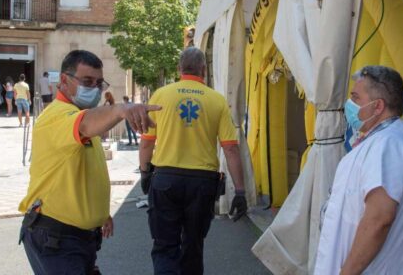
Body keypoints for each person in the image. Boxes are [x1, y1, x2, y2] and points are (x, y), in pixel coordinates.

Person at [18, 50, 160, 275]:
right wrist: (121, 109)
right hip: (56, 237)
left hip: (78, 237)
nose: (94, 88)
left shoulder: (81, 113)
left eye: (98, 83)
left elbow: (84, 172)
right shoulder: (57, 115)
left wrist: (100, 213)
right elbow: (83, 125)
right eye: (87, 81)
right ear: (64, 80)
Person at [314, 65, 403, 275]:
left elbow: (379, 220)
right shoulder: (384, 140)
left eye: (356, 98)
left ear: (378, 106)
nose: (349, 105)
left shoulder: (389, 145)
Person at [139, 47, 248, 275]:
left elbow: (147, 142)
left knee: (165, 246)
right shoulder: (216, 100)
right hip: (202, 183)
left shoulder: (161, 95)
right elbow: (231, 149)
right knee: (193, 246)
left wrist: (145, 171)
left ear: (179, 69)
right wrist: (239, 191)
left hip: (166, 178)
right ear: (204, 70)